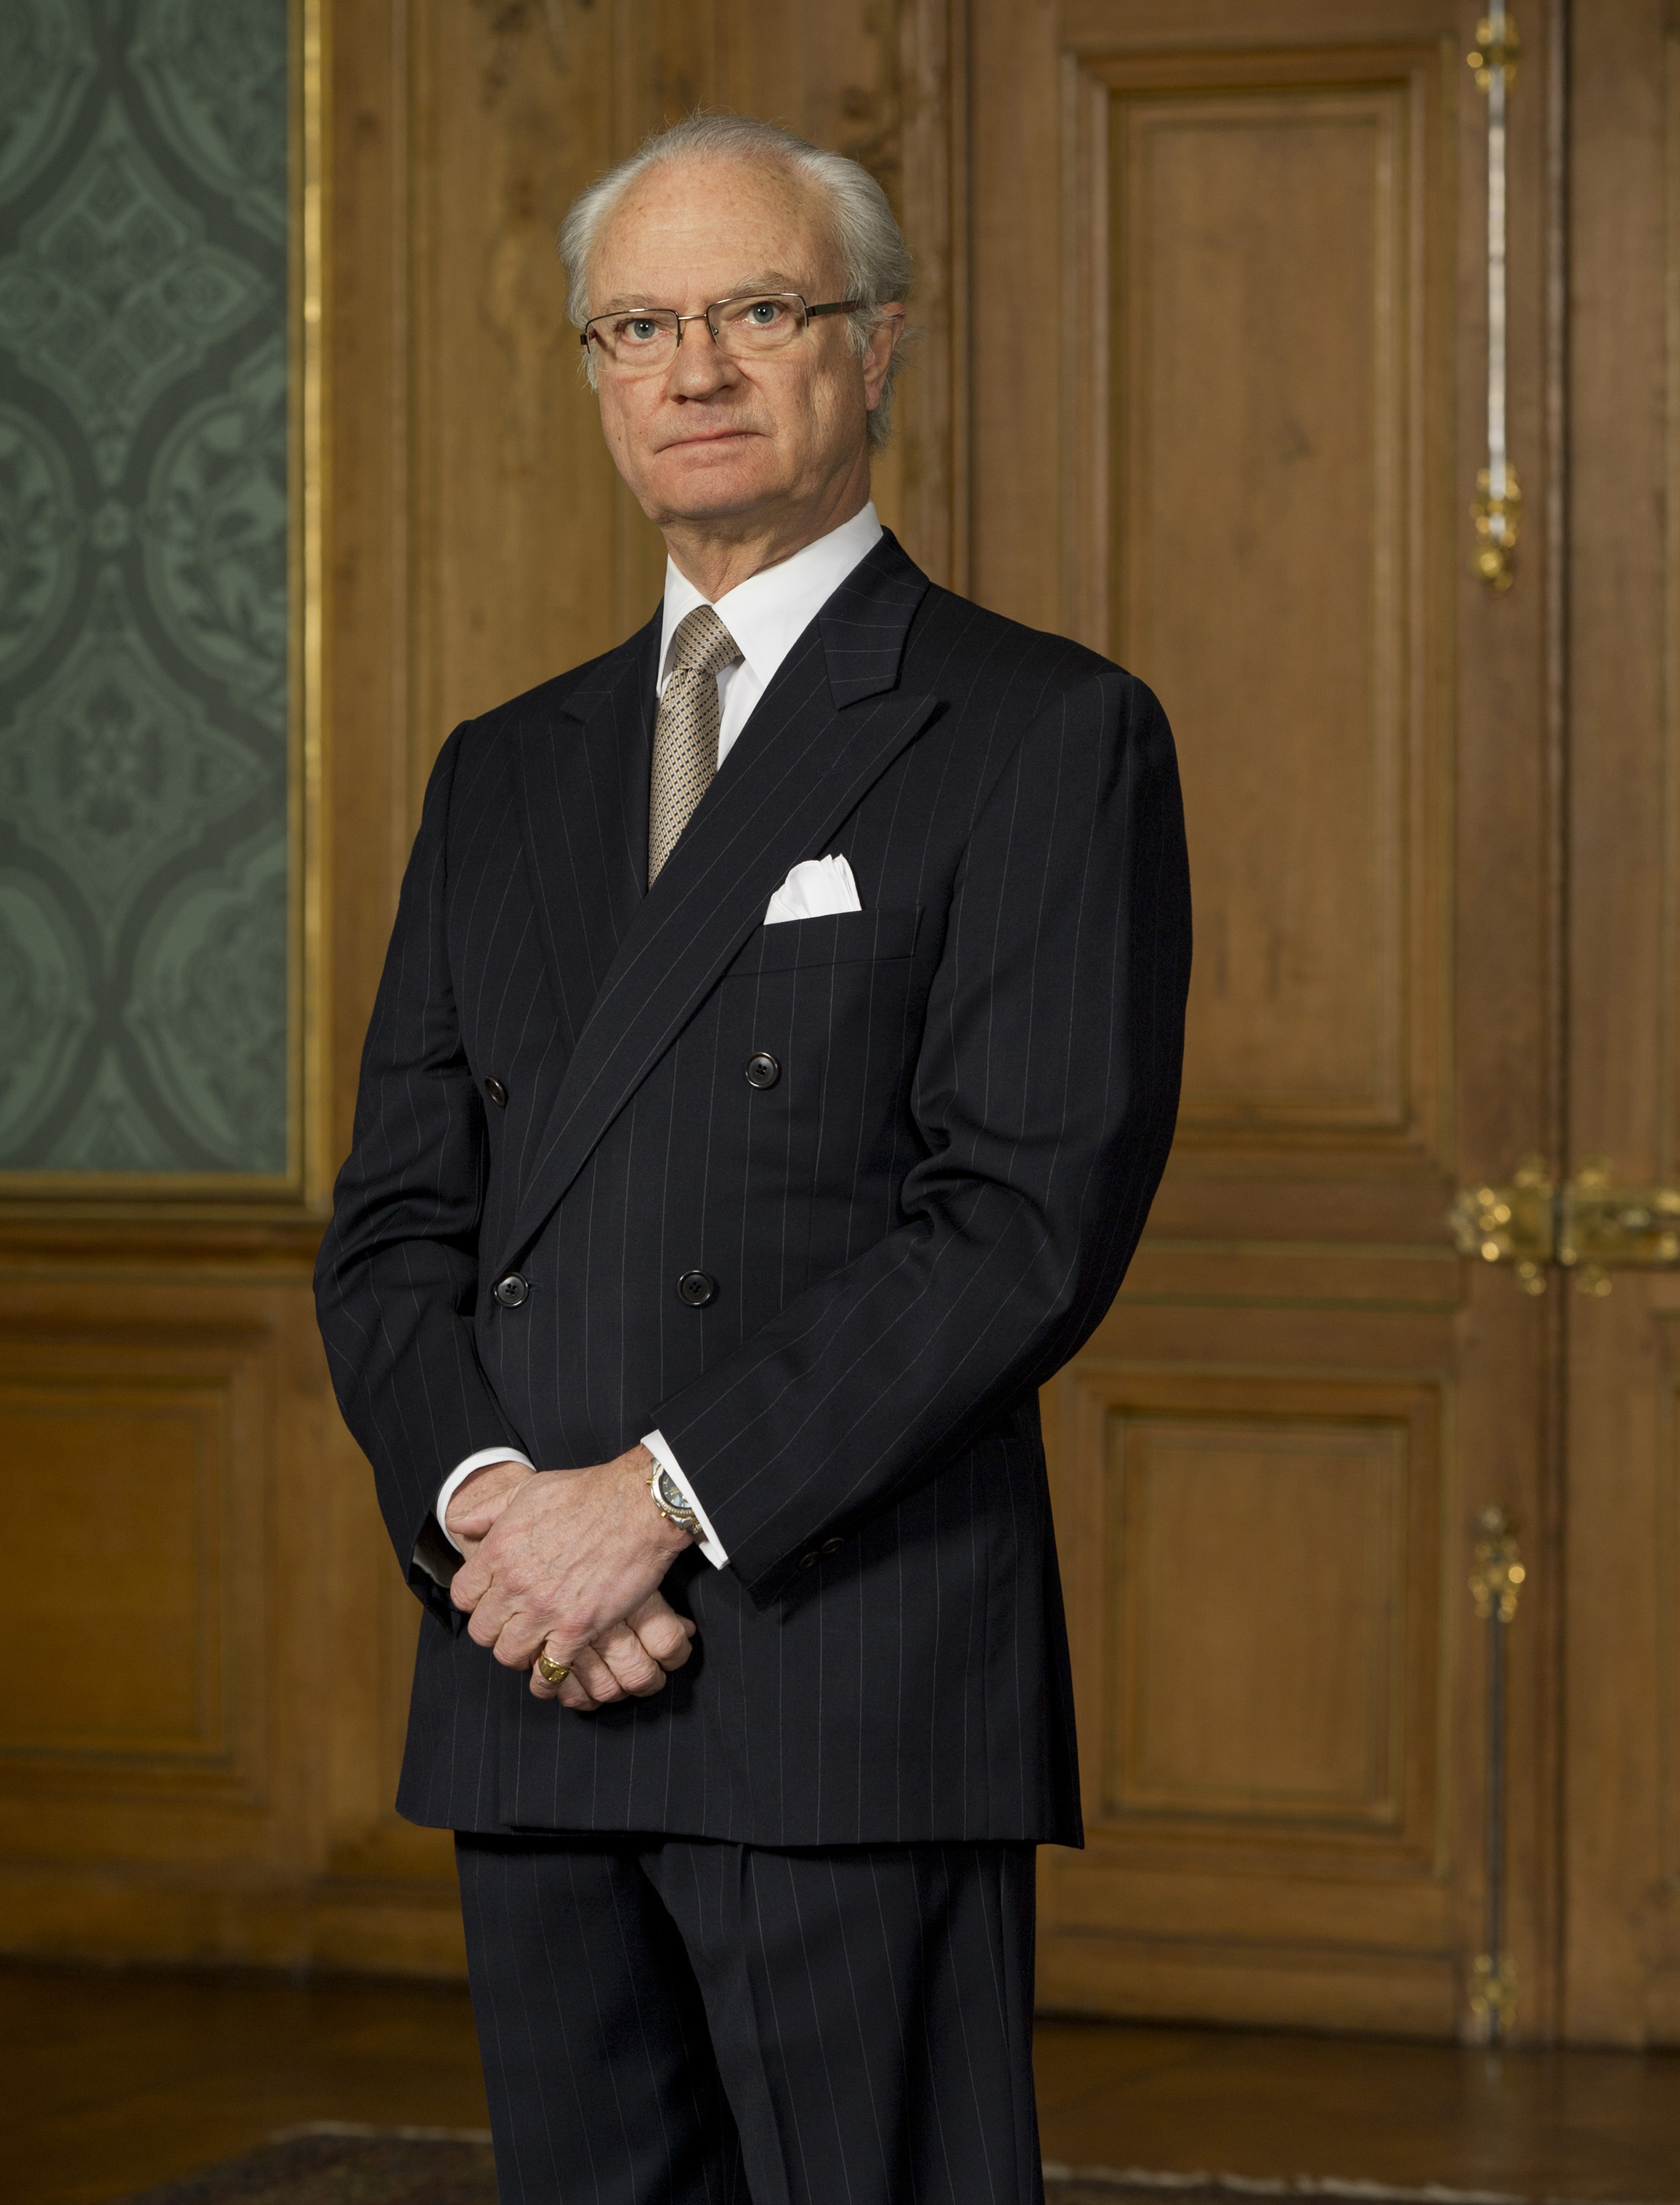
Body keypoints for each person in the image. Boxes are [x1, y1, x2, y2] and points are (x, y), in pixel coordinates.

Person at [315, 111, 1190, 2205]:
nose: (692, 368)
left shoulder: (1041, 729)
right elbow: (395, 1228)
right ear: (596, 372)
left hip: (840, 1661)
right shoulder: (501, 768)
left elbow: (1019, 1225)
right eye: (637, 325)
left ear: (875, 347)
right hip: (536, 1657)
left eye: (757, 312)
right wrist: (497, 1521)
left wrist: (655, 1509)